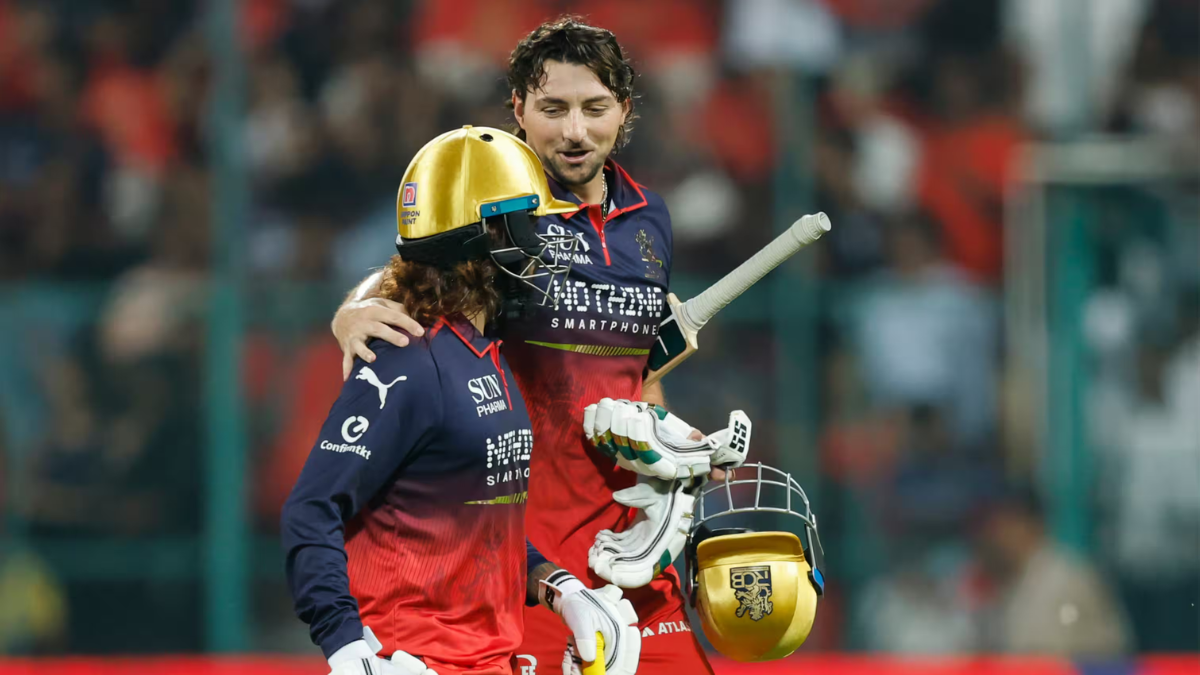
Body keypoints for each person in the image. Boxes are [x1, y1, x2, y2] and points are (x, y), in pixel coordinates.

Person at [331, 17, 725, 674]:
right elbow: (407, 270)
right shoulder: (496, 202)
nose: (575, 130)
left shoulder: (649, 219)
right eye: (553, 108)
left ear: (624, 110)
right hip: (522, 567)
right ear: (518, 108)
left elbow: (635, 375)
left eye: (595, 108)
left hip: (631, 557)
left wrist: (678, 439)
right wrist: (355, 308)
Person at [283, 126, 640, 675]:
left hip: (487, 661)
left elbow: (475, 523)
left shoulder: (483, 353)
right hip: (413, 660)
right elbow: (312, 507)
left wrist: (558, 586)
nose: (544, 244)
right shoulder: (408, 359)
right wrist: (347, 647)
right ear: (485, 240)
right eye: (528, 224)